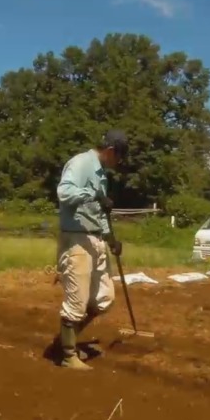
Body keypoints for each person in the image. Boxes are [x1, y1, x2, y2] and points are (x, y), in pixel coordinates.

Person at [54, 129, 127, 369]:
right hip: (76, 239)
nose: (119, 164)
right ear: (110, 151)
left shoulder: (101, 173)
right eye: (119, 158)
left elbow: (100, 212)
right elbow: (64, 192)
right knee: (77, 300)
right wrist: (93, 194)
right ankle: (67, 354)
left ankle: (68, 338)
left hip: (95, 239)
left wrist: (110, 238)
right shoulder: (81, 163)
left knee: (103, 298)